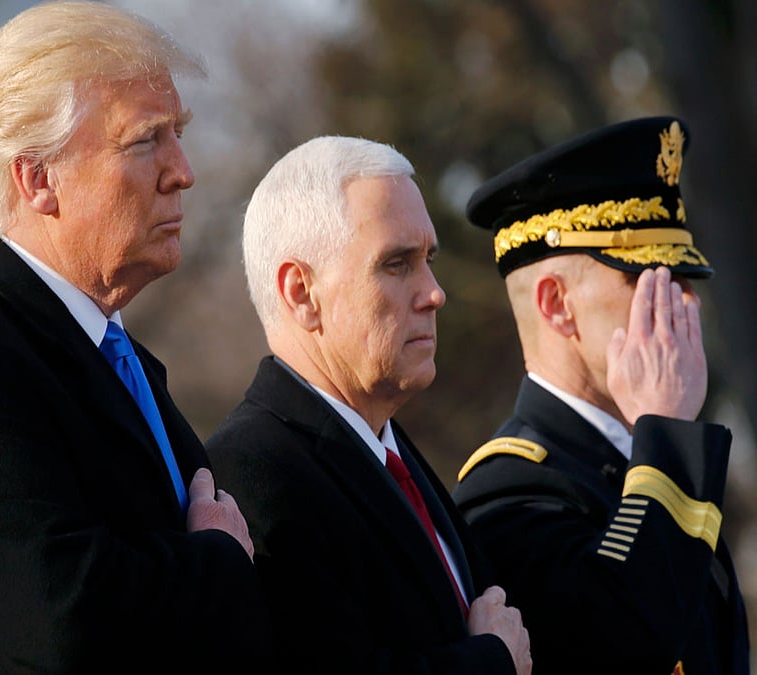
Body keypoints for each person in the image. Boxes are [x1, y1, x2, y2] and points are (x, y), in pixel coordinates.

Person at [0, 2, 272, 672]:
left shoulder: (121, 362)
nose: (183, 170)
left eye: (179, 134)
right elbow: (65, 627)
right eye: (145, 141)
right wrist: (218, 560)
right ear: (37, 177)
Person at [205, 135, 532, 674]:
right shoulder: (252, 474)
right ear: (301, 293)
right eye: (397, 264)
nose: (434, 293)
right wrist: (489, 662)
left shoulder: (388, 448)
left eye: (428, 259)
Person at [451, 116, 750, 674]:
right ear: (557, 305)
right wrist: (666, 429)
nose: (686, 305)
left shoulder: (642, 461)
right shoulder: (509, 496)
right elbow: (626, 644)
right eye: (650, 281)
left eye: (685, 282)